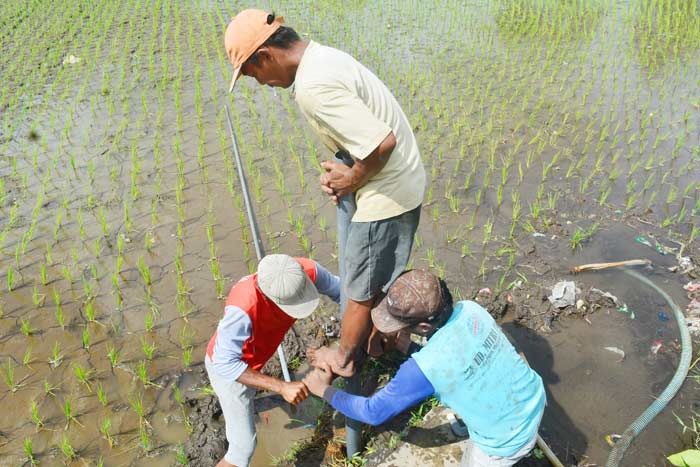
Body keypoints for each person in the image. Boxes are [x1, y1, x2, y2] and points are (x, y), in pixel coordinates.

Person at [224, 9, 425, 377]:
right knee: (372, 276)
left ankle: (345, 359)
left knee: (361, 289)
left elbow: (382, 142)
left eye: (255, 75)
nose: (262, 84)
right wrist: (345, 172)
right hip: (396, 179)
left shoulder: (313, 88)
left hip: (387, 193)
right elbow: (363, 137)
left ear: (266, 56)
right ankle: (378, 338)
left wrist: (352, 180)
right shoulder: (322, 57)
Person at [303, 270, 547, 467]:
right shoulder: (471, 310)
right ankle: (475, 422)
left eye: (401, 324)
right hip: (533, 395)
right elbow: (456, 362)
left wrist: (323, 390)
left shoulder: (424, 368)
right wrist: (410, 347)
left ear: (422, 327)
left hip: (506, 441)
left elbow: (372, 412)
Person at [205, 254, 340, 467]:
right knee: (242, 448)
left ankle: (251, 401)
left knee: (251, 397)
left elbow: (344, 294)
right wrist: (281, 387)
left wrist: (347, 346)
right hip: (230, 368)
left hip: (256, 357)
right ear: (268, 297)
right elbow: (224, 362)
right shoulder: (243, 307)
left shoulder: (305, 271)